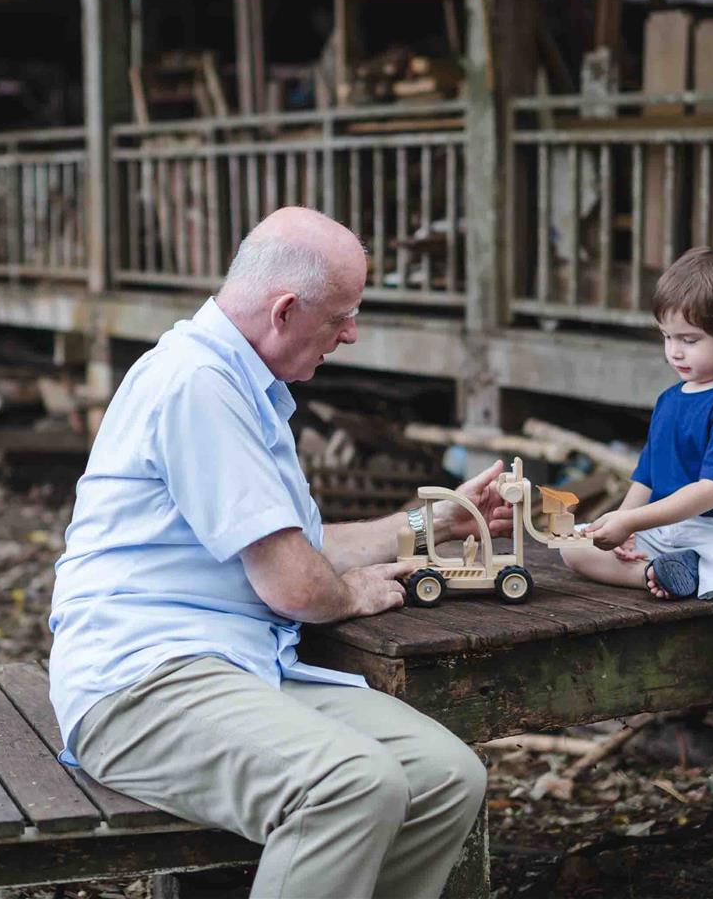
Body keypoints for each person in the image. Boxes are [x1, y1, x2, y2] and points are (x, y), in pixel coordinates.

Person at [49, 207, 513, 898]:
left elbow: (300, 548)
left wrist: (435, 524)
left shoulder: (245, 386)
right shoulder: (196, 384)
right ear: (286, 310)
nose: (350, 334)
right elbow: (298, 585)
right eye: (340, 318)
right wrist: (351, 593)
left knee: (446, 777)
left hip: (243, 666)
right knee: (351, 786)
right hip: (141, 685)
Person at [560, 247, 713, 804]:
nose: (674, 352)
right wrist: (616, 522)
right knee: (572, 548)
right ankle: (660, 576)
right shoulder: (670, 399)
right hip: (672, 535)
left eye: (689, 340)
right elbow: (648, 472)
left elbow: (710, 492)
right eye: (667, 337)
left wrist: (636, 518)